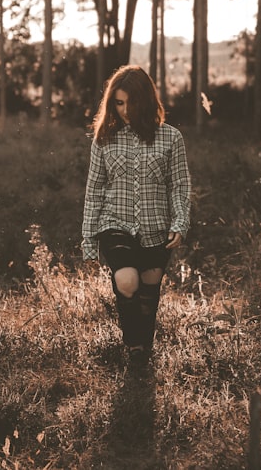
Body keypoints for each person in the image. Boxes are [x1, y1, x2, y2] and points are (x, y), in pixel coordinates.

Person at [81, 65, 191, 362]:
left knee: (148, 291)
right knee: (127, 281)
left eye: (131, 102)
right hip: (114, 223)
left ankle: (143, 346)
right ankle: (134, 347)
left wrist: (180, 222)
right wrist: (89, 240)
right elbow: (94, 191)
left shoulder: (171, 138)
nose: (125, 110)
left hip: (157, 227)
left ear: (146, 100)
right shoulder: (104, 139)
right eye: (118, 102)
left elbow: (179, 185)